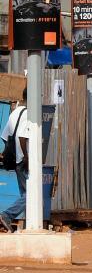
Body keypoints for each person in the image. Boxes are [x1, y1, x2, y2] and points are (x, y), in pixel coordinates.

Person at [0, 88, 30, 233]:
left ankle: (26, 224)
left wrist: (10, 153)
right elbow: (22, 138)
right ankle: (6, 215)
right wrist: (26, 156)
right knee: (31, 196)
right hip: (24, 162)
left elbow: (5, 137)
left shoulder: (15, 112)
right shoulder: (29, 114)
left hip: (16, 161)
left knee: (25, 196)